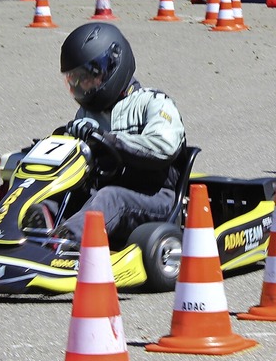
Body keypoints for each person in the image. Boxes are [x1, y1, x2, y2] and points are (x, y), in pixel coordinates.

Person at [28, 22, 187, 252]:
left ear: (113, 64)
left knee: (109, 197)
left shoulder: (153, 103)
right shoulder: (87, 113)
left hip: (154, 197)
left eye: (88, 75)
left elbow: (164, 146)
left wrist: (108, 139)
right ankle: (17, 225)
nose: (81, 85)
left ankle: (64, 241)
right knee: (59, 192)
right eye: (74, 79)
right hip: (102, 192)